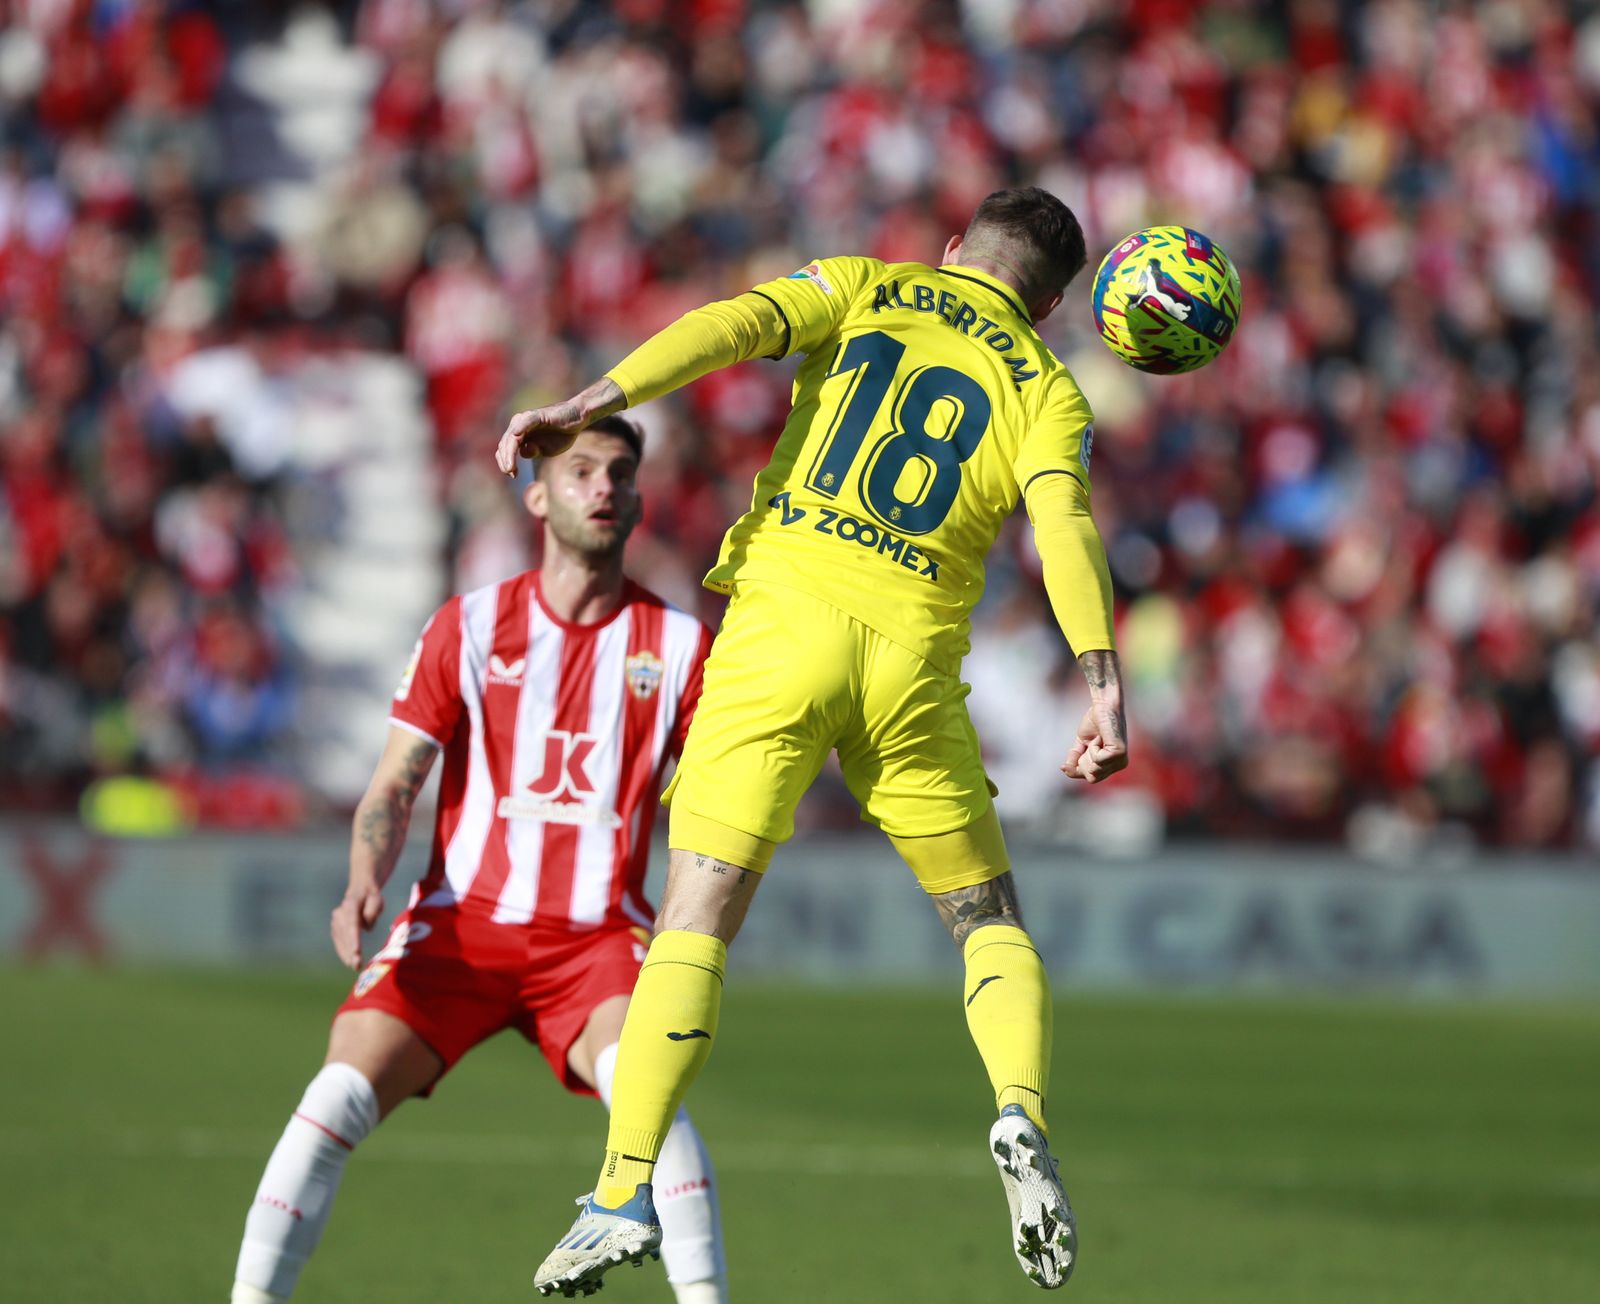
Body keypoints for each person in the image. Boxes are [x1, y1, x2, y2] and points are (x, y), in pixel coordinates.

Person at [497, 187, 1128, 1296]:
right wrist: (1102, 682)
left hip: (785, 624)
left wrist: (598, 395)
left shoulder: (868, 283)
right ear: (1053, 302)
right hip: (911, 659)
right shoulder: (1049, 389)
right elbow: (1064, 524)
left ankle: (618, 1190)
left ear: (954, 248)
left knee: (698, 907)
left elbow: (730, 324)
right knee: (986, 914)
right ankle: (1019, 1113)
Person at [230, 418, 728, 1304]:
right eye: (579, 471)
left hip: (596, 943)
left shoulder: (683, 648)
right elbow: (392, 784)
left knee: (657, 1111)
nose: (603, 487)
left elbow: (720, 804)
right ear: (537, 496)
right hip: (459, 925)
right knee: (331, 1102)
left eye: (619, 472)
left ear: (641, 498)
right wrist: (362, 880)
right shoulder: (469, 626)